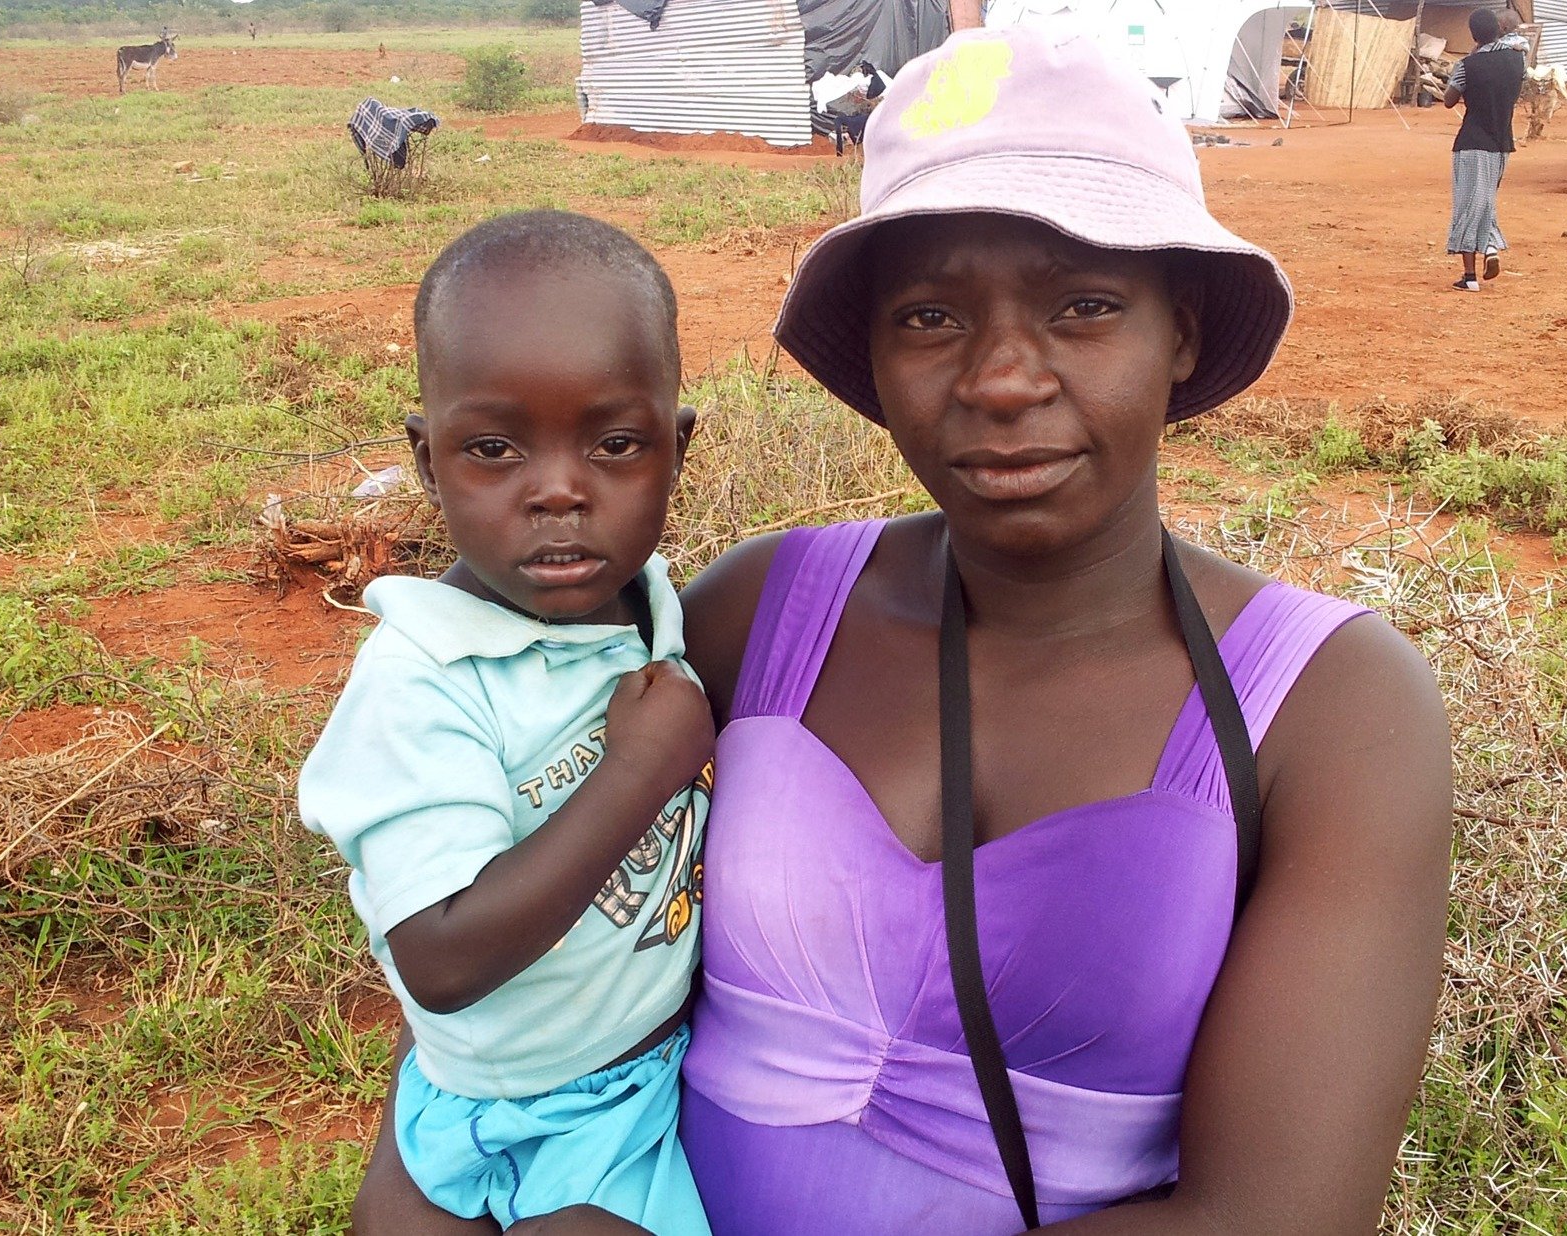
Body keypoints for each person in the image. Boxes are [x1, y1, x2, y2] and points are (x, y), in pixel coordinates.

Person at [354, 28, 1452, 1236]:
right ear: (874, 356)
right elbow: (519, 1005)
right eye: (930, 318)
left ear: (1179, 332)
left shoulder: (1332, 708)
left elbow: (1278, 1215)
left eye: (1083, 307)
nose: (998, 378)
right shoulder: (756, 615)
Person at [299, 210, 714, 1235]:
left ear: (677, 447)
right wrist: (636, 776)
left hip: (642, 1085)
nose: (561, 491)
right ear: (428, 461)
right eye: (494, 449)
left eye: (616, 444)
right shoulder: (422, 680)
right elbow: (442, 961)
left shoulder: (651, 601)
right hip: (480, 1097)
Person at [1443, 8, 1526, 291]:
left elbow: (1448, 100)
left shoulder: (1468, 65)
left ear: (1473, 34)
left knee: (1468, 205)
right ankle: (1490, 248)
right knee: (1485, 200)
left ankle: (1469, 278)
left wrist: (1471, 57)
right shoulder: (1517, 59)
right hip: (1501, 142)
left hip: (1471, 143)